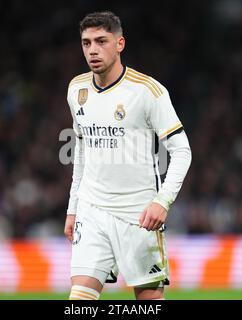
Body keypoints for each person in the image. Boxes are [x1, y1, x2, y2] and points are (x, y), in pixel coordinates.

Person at [64, 11, 192, 300]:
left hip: (138, 215)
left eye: (101, 41)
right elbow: (81, 153)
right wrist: (74, 208)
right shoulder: (77, 89)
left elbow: (182, 150)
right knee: (79, 301)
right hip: (92, 211)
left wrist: (163, 201)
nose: (93, 50)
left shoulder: (148, 91)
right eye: (86, 43)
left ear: (120, 44)